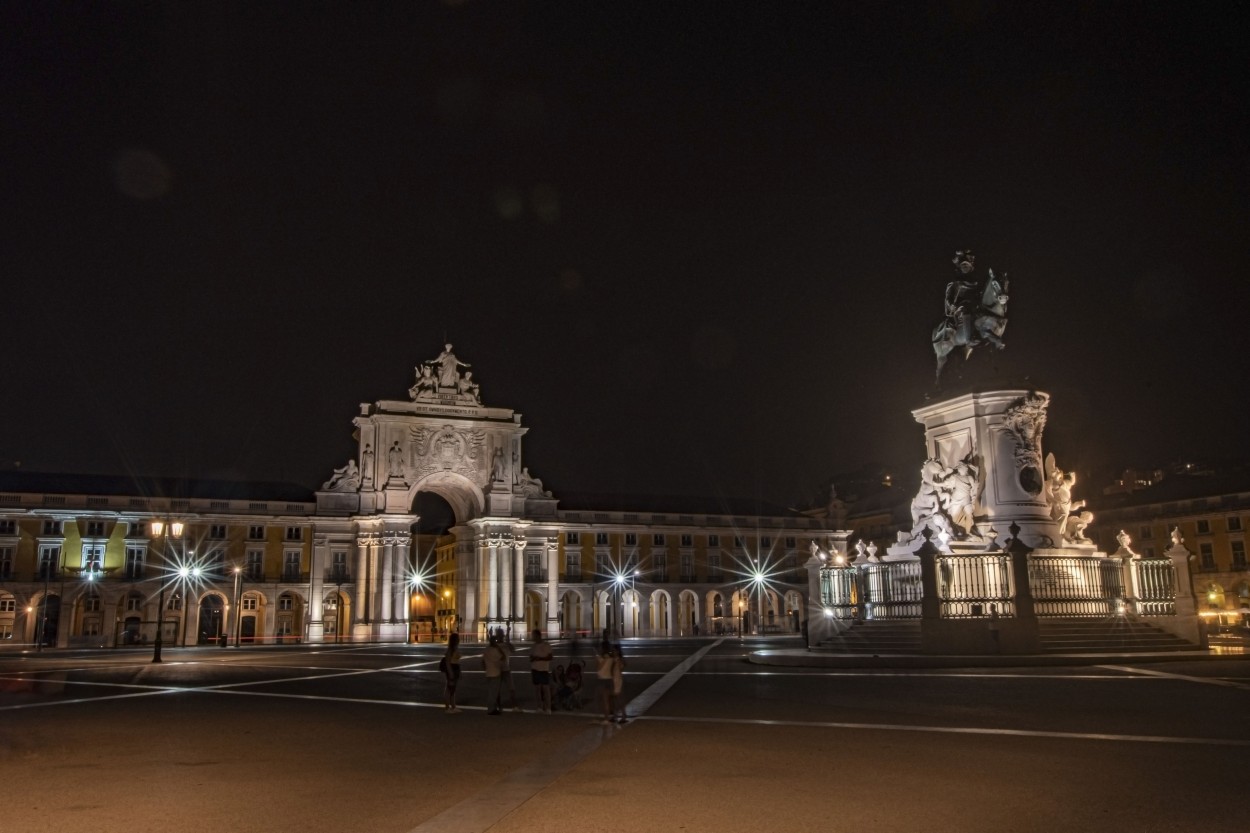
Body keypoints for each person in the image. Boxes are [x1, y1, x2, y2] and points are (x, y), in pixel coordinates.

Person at [529, 628, 555, 714]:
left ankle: (548, 708)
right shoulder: (533, 646)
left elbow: (550, 657)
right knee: (537, 689)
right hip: (535, 669)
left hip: (544, 669)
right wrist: (533, 659)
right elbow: (531, 657)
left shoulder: (546, 645)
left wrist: (539, 658)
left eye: (533, 635)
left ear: (538, 636)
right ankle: (539, 707)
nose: (532, 637)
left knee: (545, 689)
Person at [483, 634, 506, 715]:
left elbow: (482, 661)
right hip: (495, 672)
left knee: (490, 691)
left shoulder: (486, 649)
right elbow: (503, 657)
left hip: (488, 672)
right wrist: (499, 648)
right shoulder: (495, 650)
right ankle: (491, 709)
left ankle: (491, 708)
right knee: (494, 693)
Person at [595, 639, 616, 725]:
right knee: (610, 700)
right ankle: (611, 716)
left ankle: (606, 719)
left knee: (605, 701)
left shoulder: (600, 658)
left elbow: (599, 670)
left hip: (602, 680)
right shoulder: (611, 658)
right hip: (610, 679)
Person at [441, 632, 462, 714]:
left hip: (456, 668)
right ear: (455, 640)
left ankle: (453, 706)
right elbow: (448, 662)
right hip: (452, 669)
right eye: (458, 638)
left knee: (453, 689)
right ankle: (447, 707)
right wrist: (450, 672)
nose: (459, 640)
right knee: (449, 688)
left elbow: (457, 661)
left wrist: (460, 671)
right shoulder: (450, 650)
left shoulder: (455, 648)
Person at [500, 631, 521, 712]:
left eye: (501, 635)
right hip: (498, 669)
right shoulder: (496, 645)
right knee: (498, 689)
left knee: (511, 688)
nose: (501, 636)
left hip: (506, 669)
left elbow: (513, 649)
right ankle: (497, 706)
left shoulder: (506, 645)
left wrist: (508, 641)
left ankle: (514, 706)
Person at [611, 644, 627, 724]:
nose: (613, 652)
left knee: (618, 699)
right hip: (615, 679)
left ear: (617, 651)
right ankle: (615, 716)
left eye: (614, 650)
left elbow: (620, 668)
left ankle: (623, 716)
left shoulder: (618, 660)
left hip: (617, 680)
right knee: (615, 699)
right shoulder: (616, 659)